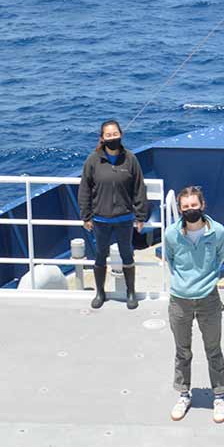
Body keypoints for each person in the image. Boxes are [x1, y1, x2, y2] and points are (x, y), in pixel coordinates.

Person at [163, 186, 224, 423]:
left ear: (202, 206)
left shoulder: (218, 232)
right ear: (180, 209)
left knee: (213, 349)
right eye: (186, 207)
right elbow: (171, 261)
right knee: (182, 351)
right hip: (179, 300)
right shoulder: (171, 234)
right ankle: (184, 394)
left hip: (209, 299)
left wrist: (205, 281)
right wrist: (184, 283)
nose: (190, 210)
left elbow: (219, 259)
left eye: (194, 205)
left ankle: (219, 396)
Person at [78, 120, 150, 310]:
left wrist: (141, 216)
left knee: (128, 255)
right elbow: (84, 189)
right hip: (100, 219)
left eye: (115, 134)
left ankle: (131, 292)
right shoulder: (93, 160)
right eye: (108, 135)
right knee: (101, 255)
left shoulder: (130, 159)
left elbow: (139, 188)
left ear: (121, 135)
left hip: (124, 219)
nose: (112, 138)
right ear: (102, 138)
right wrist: (86, 216)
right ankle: (100, 293)